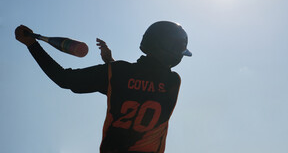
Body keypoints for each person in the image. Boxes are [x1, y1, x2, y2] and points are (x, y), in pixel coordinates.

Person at [15, 21, 192, 153]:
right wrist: (111, 64)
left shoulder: (116, 73)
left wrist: (32, 44)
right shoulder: (173, 82)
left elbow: (63, 78)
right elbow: (144, 85)